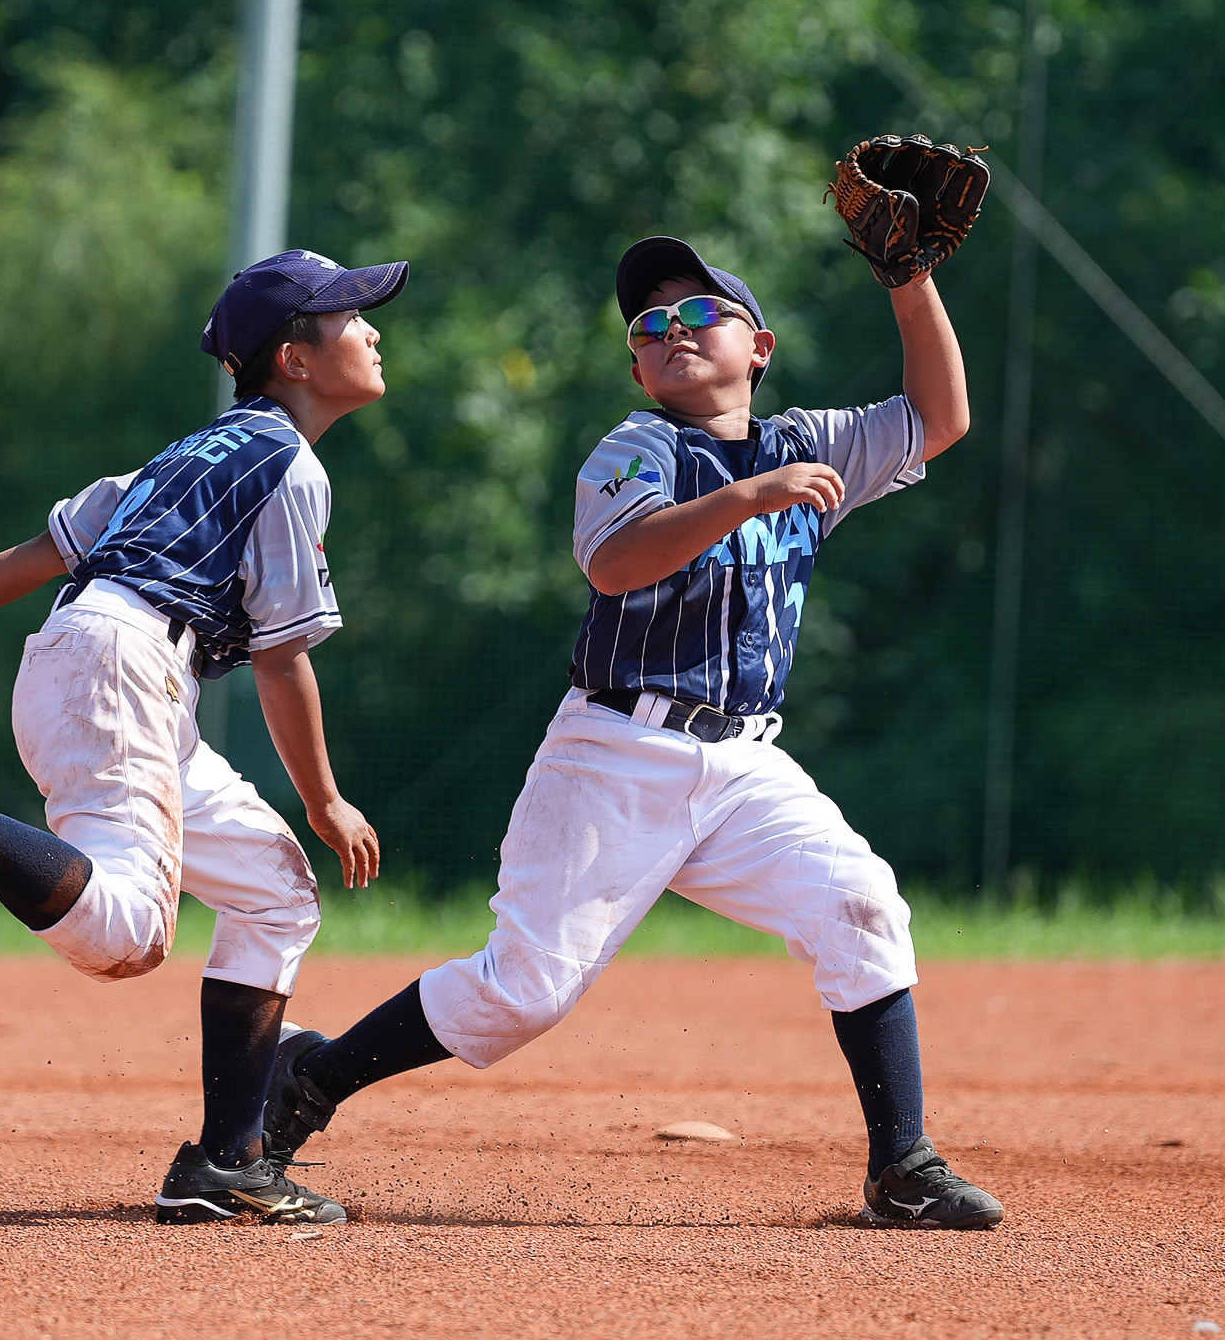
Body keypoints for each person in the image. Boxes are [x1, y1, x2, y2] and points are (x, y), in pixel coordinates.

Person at [262, 232, 1009, 1229]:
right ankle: (309, 1078)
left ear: (760, 348)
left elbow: (940, 418)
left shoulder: (806, 443)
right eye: (649, 326)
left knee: (861, 903)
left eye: (699, 313)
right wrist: (750, 496)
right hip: (615, 752)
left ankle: (902, 1166)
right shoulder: (639, 449)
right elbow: (617, 563)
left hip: (743, 760)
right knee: (524, 991)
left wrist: (909, 281)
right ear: (636, 370)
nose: (671, 331)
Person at [0, 248, 403, 1224]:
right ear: (296, 358)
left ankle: (227, 1163)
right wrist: (325, 798)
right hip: (126, 670)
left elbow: (33, 557)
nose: (373, 328)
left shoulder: (181, 459)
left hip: (98, 667)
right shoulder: (290, 467)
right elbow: (282, 658)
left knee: (275, 892)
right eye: (351, 314)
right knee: (131, 937)